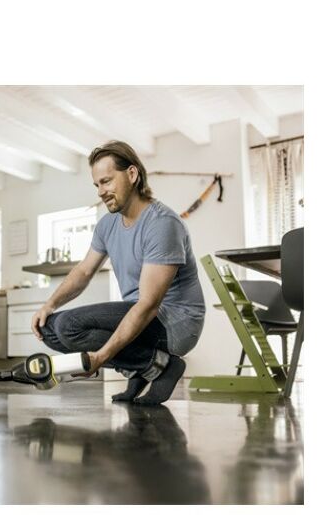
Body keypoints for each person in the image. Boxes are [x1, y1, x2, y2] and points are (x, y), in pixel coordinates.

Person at [31, 140, 205, 404]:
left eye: (107, 181)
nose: (101, 191)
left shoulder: (162, 224)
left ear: (132, 174)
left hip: (175, 324)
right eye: (97, 185)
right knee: (49, 328)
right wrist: (49, 305)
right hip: (143, 314)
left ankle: (164, 366)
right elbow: (84, 271)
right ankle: (143, 367)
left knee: (69, 326)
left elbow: (148, 305)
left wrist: (100, 357)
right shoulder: (107, 224)